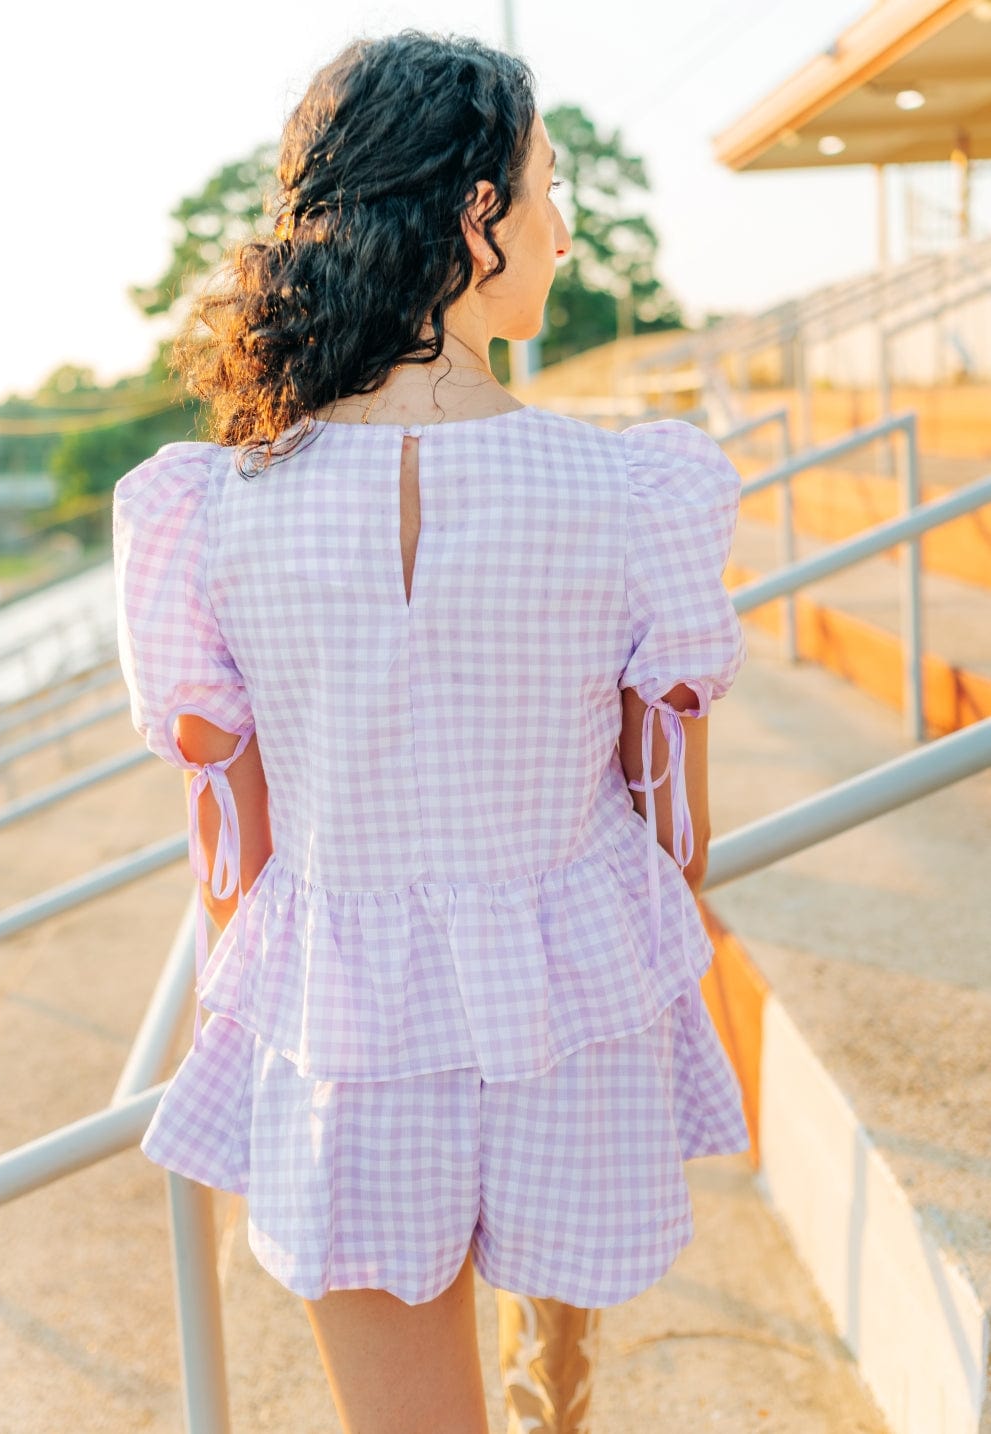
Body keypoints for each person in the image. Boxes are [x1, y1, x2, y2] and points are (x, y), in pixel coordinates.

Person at [112, 28, 749, 1434]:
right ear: (477, 216)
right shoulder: (634, 490)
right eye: (547, 187)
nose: (565, 229)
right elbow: (673, 825)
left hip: (342, 1016)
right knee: (555, 1372)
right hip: (574, 1007)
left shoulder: (205, 508)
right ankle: (554, 1379)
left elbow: (232, 840)